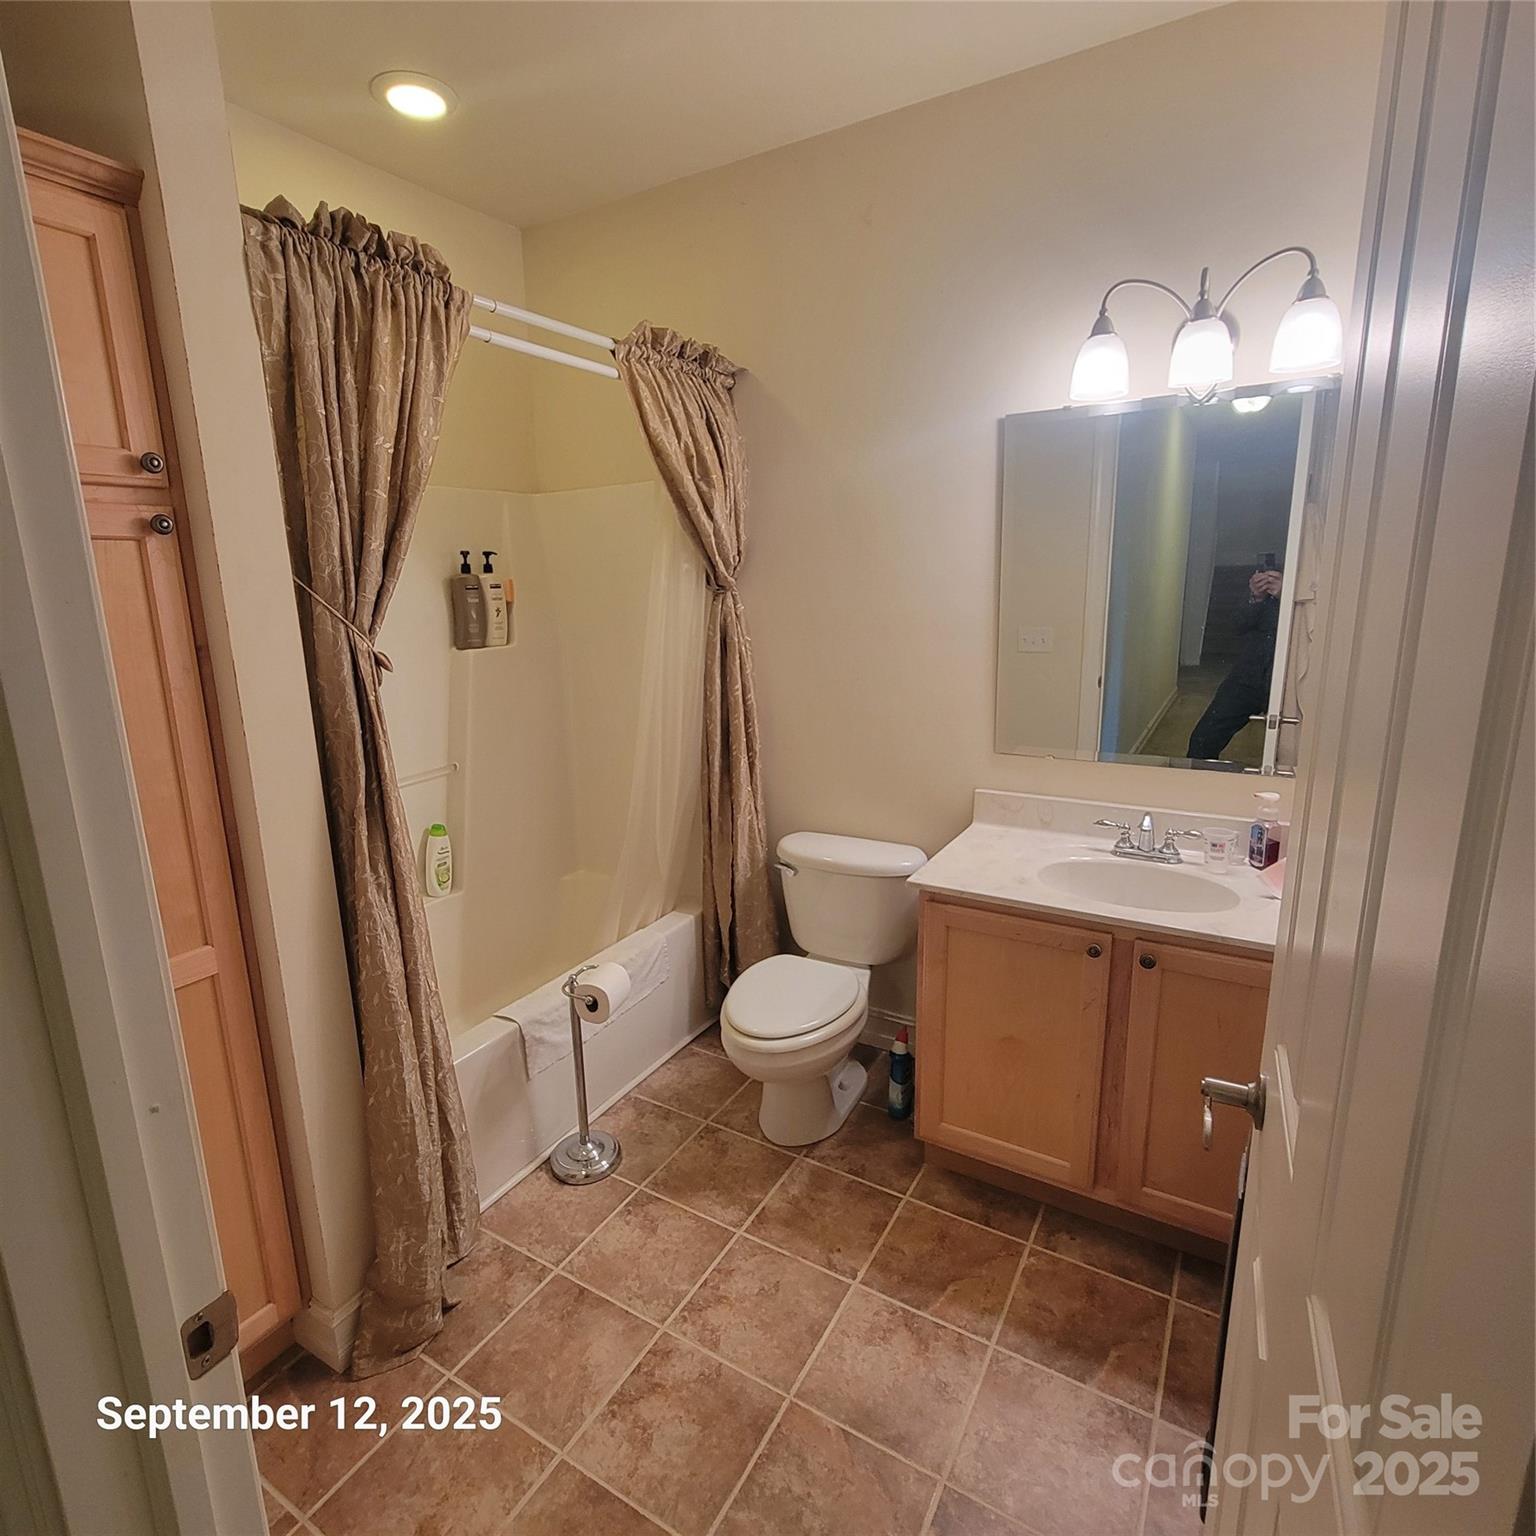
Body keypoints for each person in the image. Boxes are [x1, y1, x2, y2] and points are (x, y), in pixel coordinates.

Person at [1187, 564, 1283, 761]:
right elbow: (1238, 625)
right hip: (1248, 676)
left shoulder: (1310, 595)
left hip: (1290, 681)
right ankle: (1194, 786)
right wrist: (1256, 597)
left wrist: (1288, 596)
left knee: (1290, 749)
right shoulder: (1265, 597)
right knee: (1203, 739)